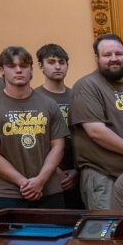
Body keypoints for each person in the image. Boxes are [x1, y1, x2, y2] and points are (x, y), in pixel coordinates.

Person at [0, 47, 68, 210]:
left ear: (31, 69)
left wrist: (40, 180)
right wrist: (23, 183)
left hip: (49, 190)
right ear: (2, 70)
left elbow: (58, 147)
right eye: (12, 66)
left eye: (24, 66)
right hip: (9, 193)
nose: (18, 70)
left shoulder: (49, 104)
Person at [69, 33, 123, 209]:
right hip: (104, 177)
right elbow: (96, 131)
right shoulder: (87, 86)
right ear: (97, 58)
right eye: (107, 55)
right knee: (108, 226)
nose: (114, 59)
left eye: (119, 54)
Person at [35, 43, 82, 207]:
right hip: (49, 173)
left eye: (62, 62)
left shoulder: (77, 96)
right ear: (40, 66)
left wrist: (78, 170)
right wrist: (58, 172)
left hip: (78, 170)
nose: (57, 66)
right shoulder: (35, 98)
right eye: (51, 62)